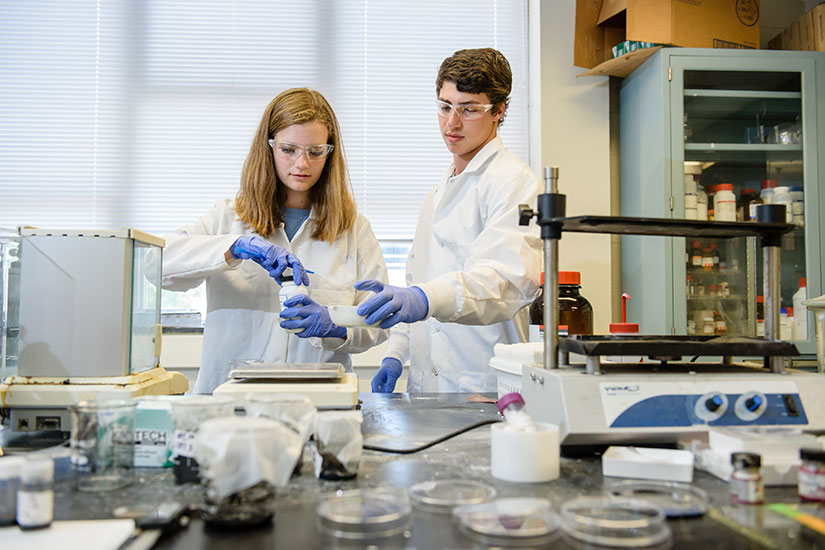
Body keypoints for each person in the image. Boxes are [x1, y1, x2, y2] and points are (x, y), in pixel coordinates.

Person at [162, 88, 389, 394]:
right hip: (229, 398)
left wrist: (336, 327)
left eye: (315, 151)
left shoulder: (354, 229)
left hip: (317, 400)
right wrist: (233, 248)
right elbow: (157, 264)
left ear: (329, 152)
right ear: (268, 148)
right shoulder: (226, 219)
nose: (302, 164)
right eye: (289, 149)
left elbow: (377, 320)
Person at [356, 48, 542, 393]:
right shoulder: (438, 194)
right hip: (427, 386)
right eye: (445, 106)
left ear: (499, 111)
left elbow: (505, 281)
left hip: (486, 385)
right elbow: (416, 282)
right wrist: (395, 353)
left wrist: (424, 298)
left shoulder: (514, 182)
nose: (452, 123)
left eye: (469, 109)